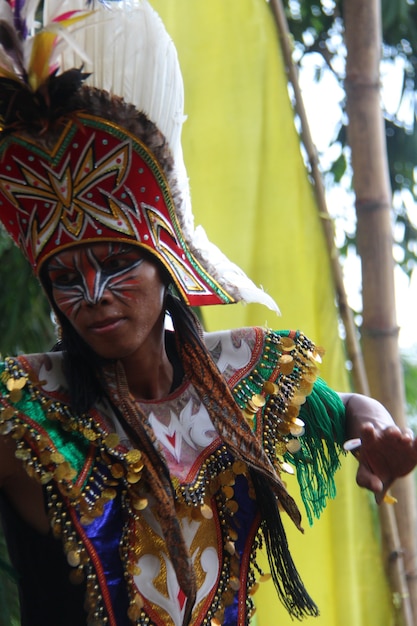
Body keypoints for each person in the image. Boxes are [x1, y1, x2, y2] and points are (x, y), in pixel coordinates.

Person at [0, 1, 416, 625]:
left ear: (165, 268)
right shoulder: (27, 410)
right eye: (64, 278)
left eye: (116, 264)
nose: (91, 296)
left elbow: (341, 409)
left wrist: (377, 426)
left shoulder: (240, 375)